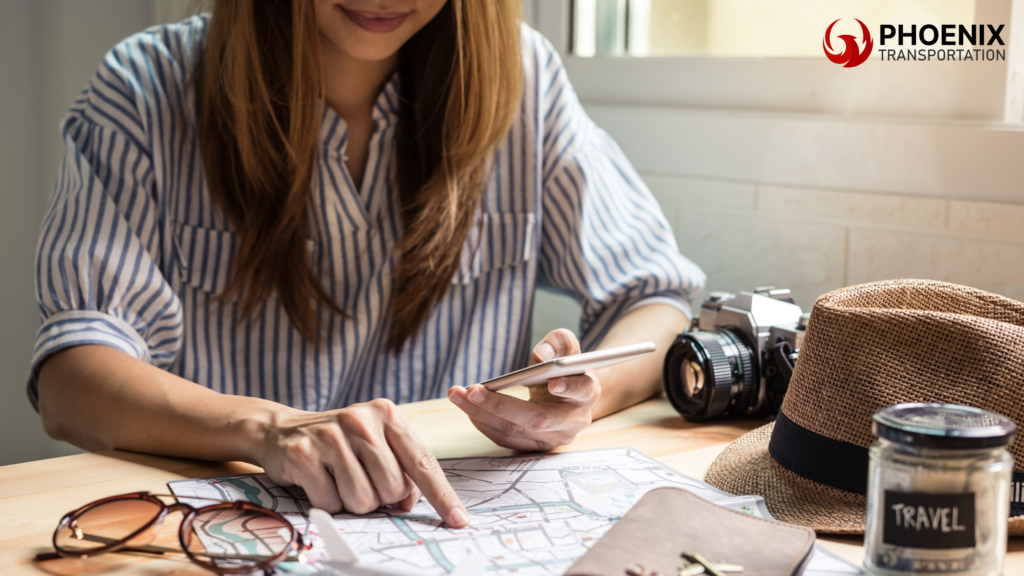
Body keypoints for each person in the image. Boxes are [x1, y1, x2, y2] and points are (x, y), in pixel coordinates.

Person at [32, 0, 705, 528]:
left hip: (447, 524)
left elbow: (657, 299)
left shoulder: (524, 83)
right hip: (232, 526)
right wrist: (269, 429)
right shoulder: (146, 87)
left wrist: (580, 401)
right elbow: (72, 379)